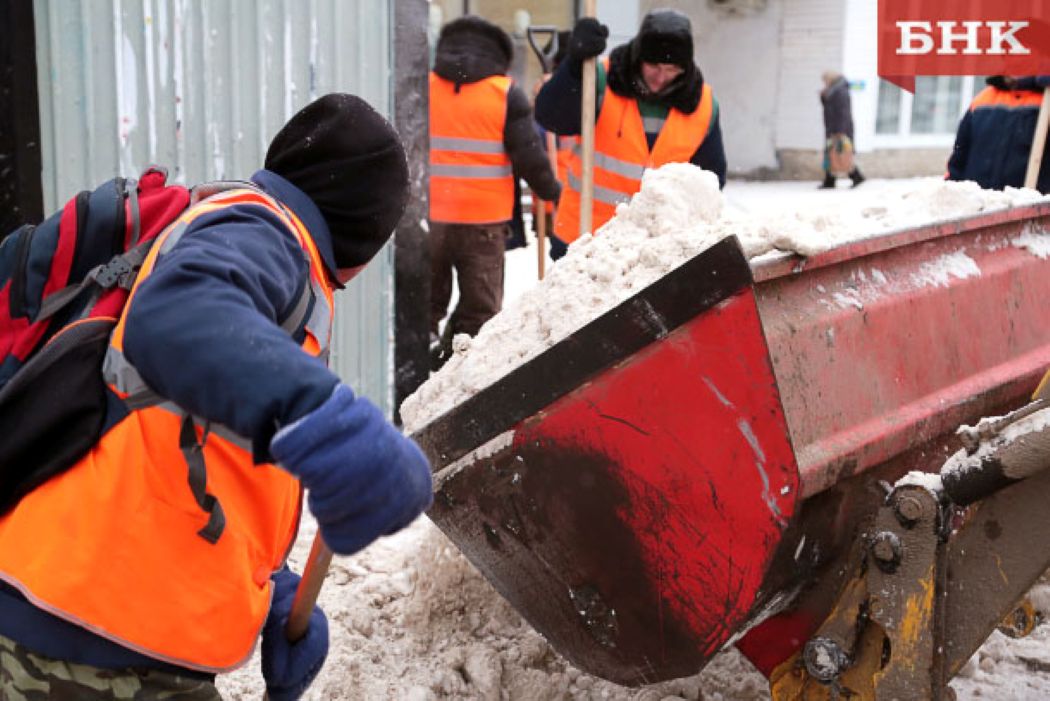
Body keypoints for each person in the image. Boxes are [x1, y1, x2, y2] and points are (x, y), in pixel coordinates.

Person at [0, 94, 433, 700]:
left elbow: (188, 435)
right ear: (366, 232)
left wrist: (269, 589)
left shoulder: (248, 243)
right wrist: (330, 422)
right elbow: (178, 316)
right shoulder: (266, 233)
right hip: (92, 644)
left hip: (101, 628)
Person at [429, 15, 561, 369]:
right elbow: (529, 158)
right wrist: (551, 190)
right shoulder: (504, 94)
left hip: (429, 222)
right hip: (482, 224)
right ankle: (459, 376)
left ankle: (414, 374)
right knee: (481, 311)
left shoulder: (424, 87)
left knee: (423, 306)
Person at [534, 9, 727, 248]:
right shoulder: (602, 80)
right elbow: (551, 117)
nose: (660, 77)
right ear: (638, 57)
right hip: (584, 237)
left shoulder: (703, 105)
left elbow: (709, 183)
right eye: (654, 66)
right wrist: (573, 66)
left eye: (671, 70)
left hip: (656, 249)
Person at [948, 76, 1050, 194]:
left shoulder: (1046, 99)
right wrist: (949, 190)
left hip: (1032, 207)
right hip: (978, 204)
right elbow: (959, 157)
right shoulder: (982, 100)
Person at [819, 70, 864, 189]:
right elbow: (829, 108)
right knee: (832, 153)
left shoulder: (840, 91)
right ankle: (830, 180)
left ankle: (856, 176)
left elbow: (843, 113)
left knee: (841, 153)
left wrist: (840, 131)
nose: (824, 83)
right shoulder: (833, 91)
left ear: (831, 79)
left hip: (839, 129)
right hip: (833, 127)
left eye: (825, 80)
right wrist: (823, 97)